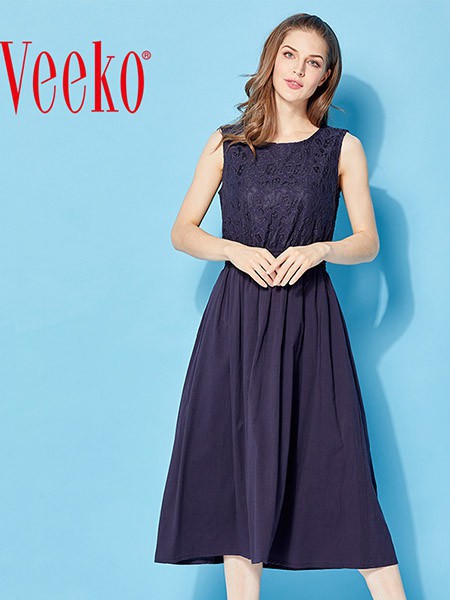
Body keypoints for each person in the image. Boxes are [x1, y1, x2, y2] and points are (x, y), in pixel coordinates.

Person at [154, 12, 408, 600]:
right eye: (290, 55)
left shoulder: (342, 148)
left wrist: (321, 248)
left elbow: (367, 242)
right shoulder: (227, 143)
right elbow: (182, 231)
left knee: (341, 471)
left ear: (325, 78)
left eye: (313, 62)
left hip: (309, 321)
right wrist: (234, 250)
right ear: (273, 58)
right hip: (236, 321)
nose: (298, 70)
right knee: (237, 478)